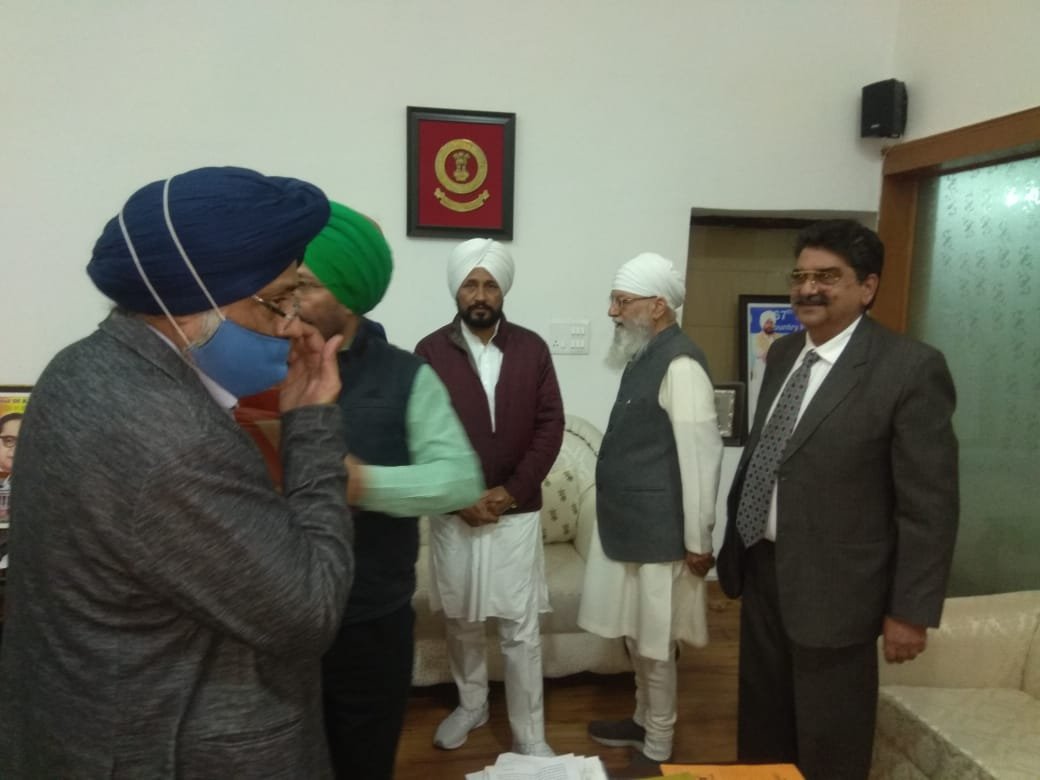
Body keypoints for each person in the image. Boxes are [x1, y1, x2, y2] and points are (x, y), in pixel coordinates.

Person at [0, 166, 355, 778]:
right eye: (277, 300)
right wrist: (312, 426)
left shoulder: (77, 366)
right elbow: (308, 611)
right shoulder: (174, 442)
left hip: (84, 726)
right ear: (190, 304)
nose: (294, 324)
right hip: (172, 749)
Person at [716, 220, 959, 780]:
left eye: (827, 277)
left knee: (831, 741)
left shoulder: (909, 369)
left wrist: (910, 610)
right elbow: (774, 454)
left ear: (867, 287)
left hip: (841, 590)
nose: (807, 289)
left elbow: (930, 505)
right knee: (763, 728)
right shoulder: (783, 354)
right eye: (800, 276)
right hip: (763, 568)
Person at [295, 200, 483, 779]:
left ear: (349, 296)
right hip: (278, 622)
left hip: (369, 622)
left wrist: (359, 483)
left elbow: (459, 479)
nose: (289, 300)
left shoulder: (407, 376)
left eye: (306, 286)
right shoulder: (264, 362)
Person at [415, 238, 564, 757]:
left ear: (503, 291)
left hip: (515, 513)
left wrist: (513, 491)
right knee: (462, 619)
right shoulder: (429, 352)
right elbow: (420, 433)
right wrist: (460, 498)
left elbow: (550, 425)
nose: (480, 295)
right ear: (456, 290)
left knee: (520, 627)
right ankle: (472, 705)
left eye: (490, 285)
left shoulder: (532, 349)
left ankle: (530, 733)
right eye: (471, 284)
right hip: (455, 512)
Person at [579, 253, 723, 777]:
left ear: (658, 305)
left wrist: (698, 540)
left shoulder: (681, 365)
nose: (612, 311)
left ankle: (659, 742)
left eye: (622, 301)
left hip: (662, 533)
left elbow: (701, 459)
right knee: (636, 636)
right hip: (629, 525)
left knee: (656, 642)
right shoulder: (645, 355)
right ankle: (642, 719)